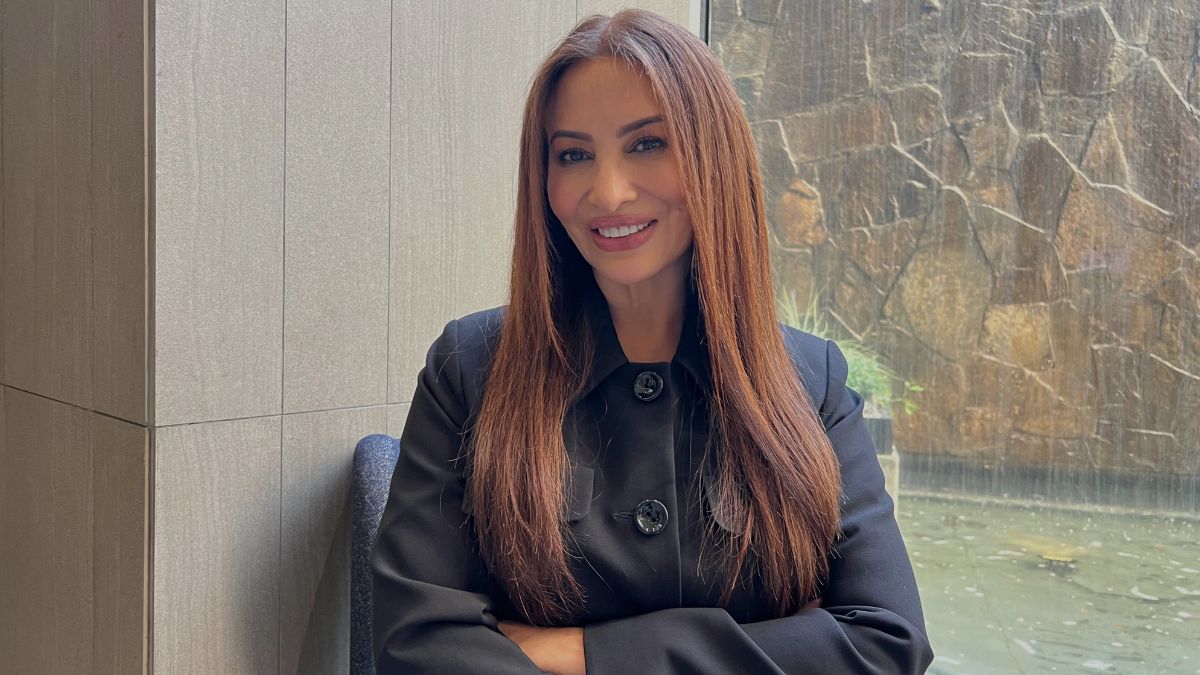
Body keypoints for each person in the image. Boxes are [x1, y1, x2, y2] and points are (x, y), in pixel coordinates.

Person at [371, 9, 933, 674]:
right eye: (573, 155)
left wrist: (582, 652)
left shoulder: (813, 381)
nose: (608, 193)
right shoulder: (470, 369)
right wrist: (779, 645)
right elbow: (417, 643)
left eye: (647, 144)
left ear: (713, 158)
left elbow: (886, 644)